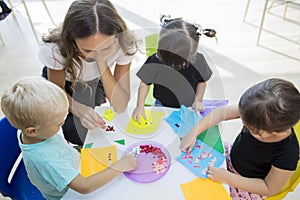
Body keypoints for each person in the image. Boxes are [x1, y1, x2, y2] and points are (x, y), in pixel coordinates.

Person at [1, 77, 137, 200]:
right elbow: (85, 187)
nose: (64, 122)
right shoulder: (47, 159)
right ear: (32, 131)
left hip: (72, 165)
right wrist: (120, 166)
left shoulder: (33, 133)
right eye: (59, 123)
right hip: (69, 193)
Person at [180, 78, 300, 199]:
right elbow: (220, 113)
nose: (244, 126)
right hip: (230, 157)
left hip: (246, 185)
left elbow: (268, 188)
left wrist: (228, 178)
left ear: (273, 132)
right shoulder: (255, 111)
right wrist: (193, 133)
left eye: (249, 128)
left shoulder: (288, 154)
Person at [39, 0, 138, 145]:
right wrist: (80, 109)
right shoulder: (54, 49)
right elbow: (57, 91)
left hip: (96, 79)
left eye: (105, 47)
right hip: (64, 85)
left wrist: (102, 62)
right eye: (87, 50)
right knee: (75, 131)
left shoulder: (125, 44)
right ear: (71, 40)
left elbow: (120, 105)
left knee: (95, 128)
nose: (94, 55)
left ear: (116, 37)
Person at [132, 15, 216, 122]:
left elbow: (202, 82)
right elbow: (145, 83)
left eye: (179, 64)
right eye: (168, 62)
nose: (174, 66)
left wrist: (198, 100)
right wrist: (140, 106)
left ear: (192, 54)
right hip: (161, 104)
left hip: (189, 107)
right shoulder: (155, 60)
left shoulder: (198, 61)